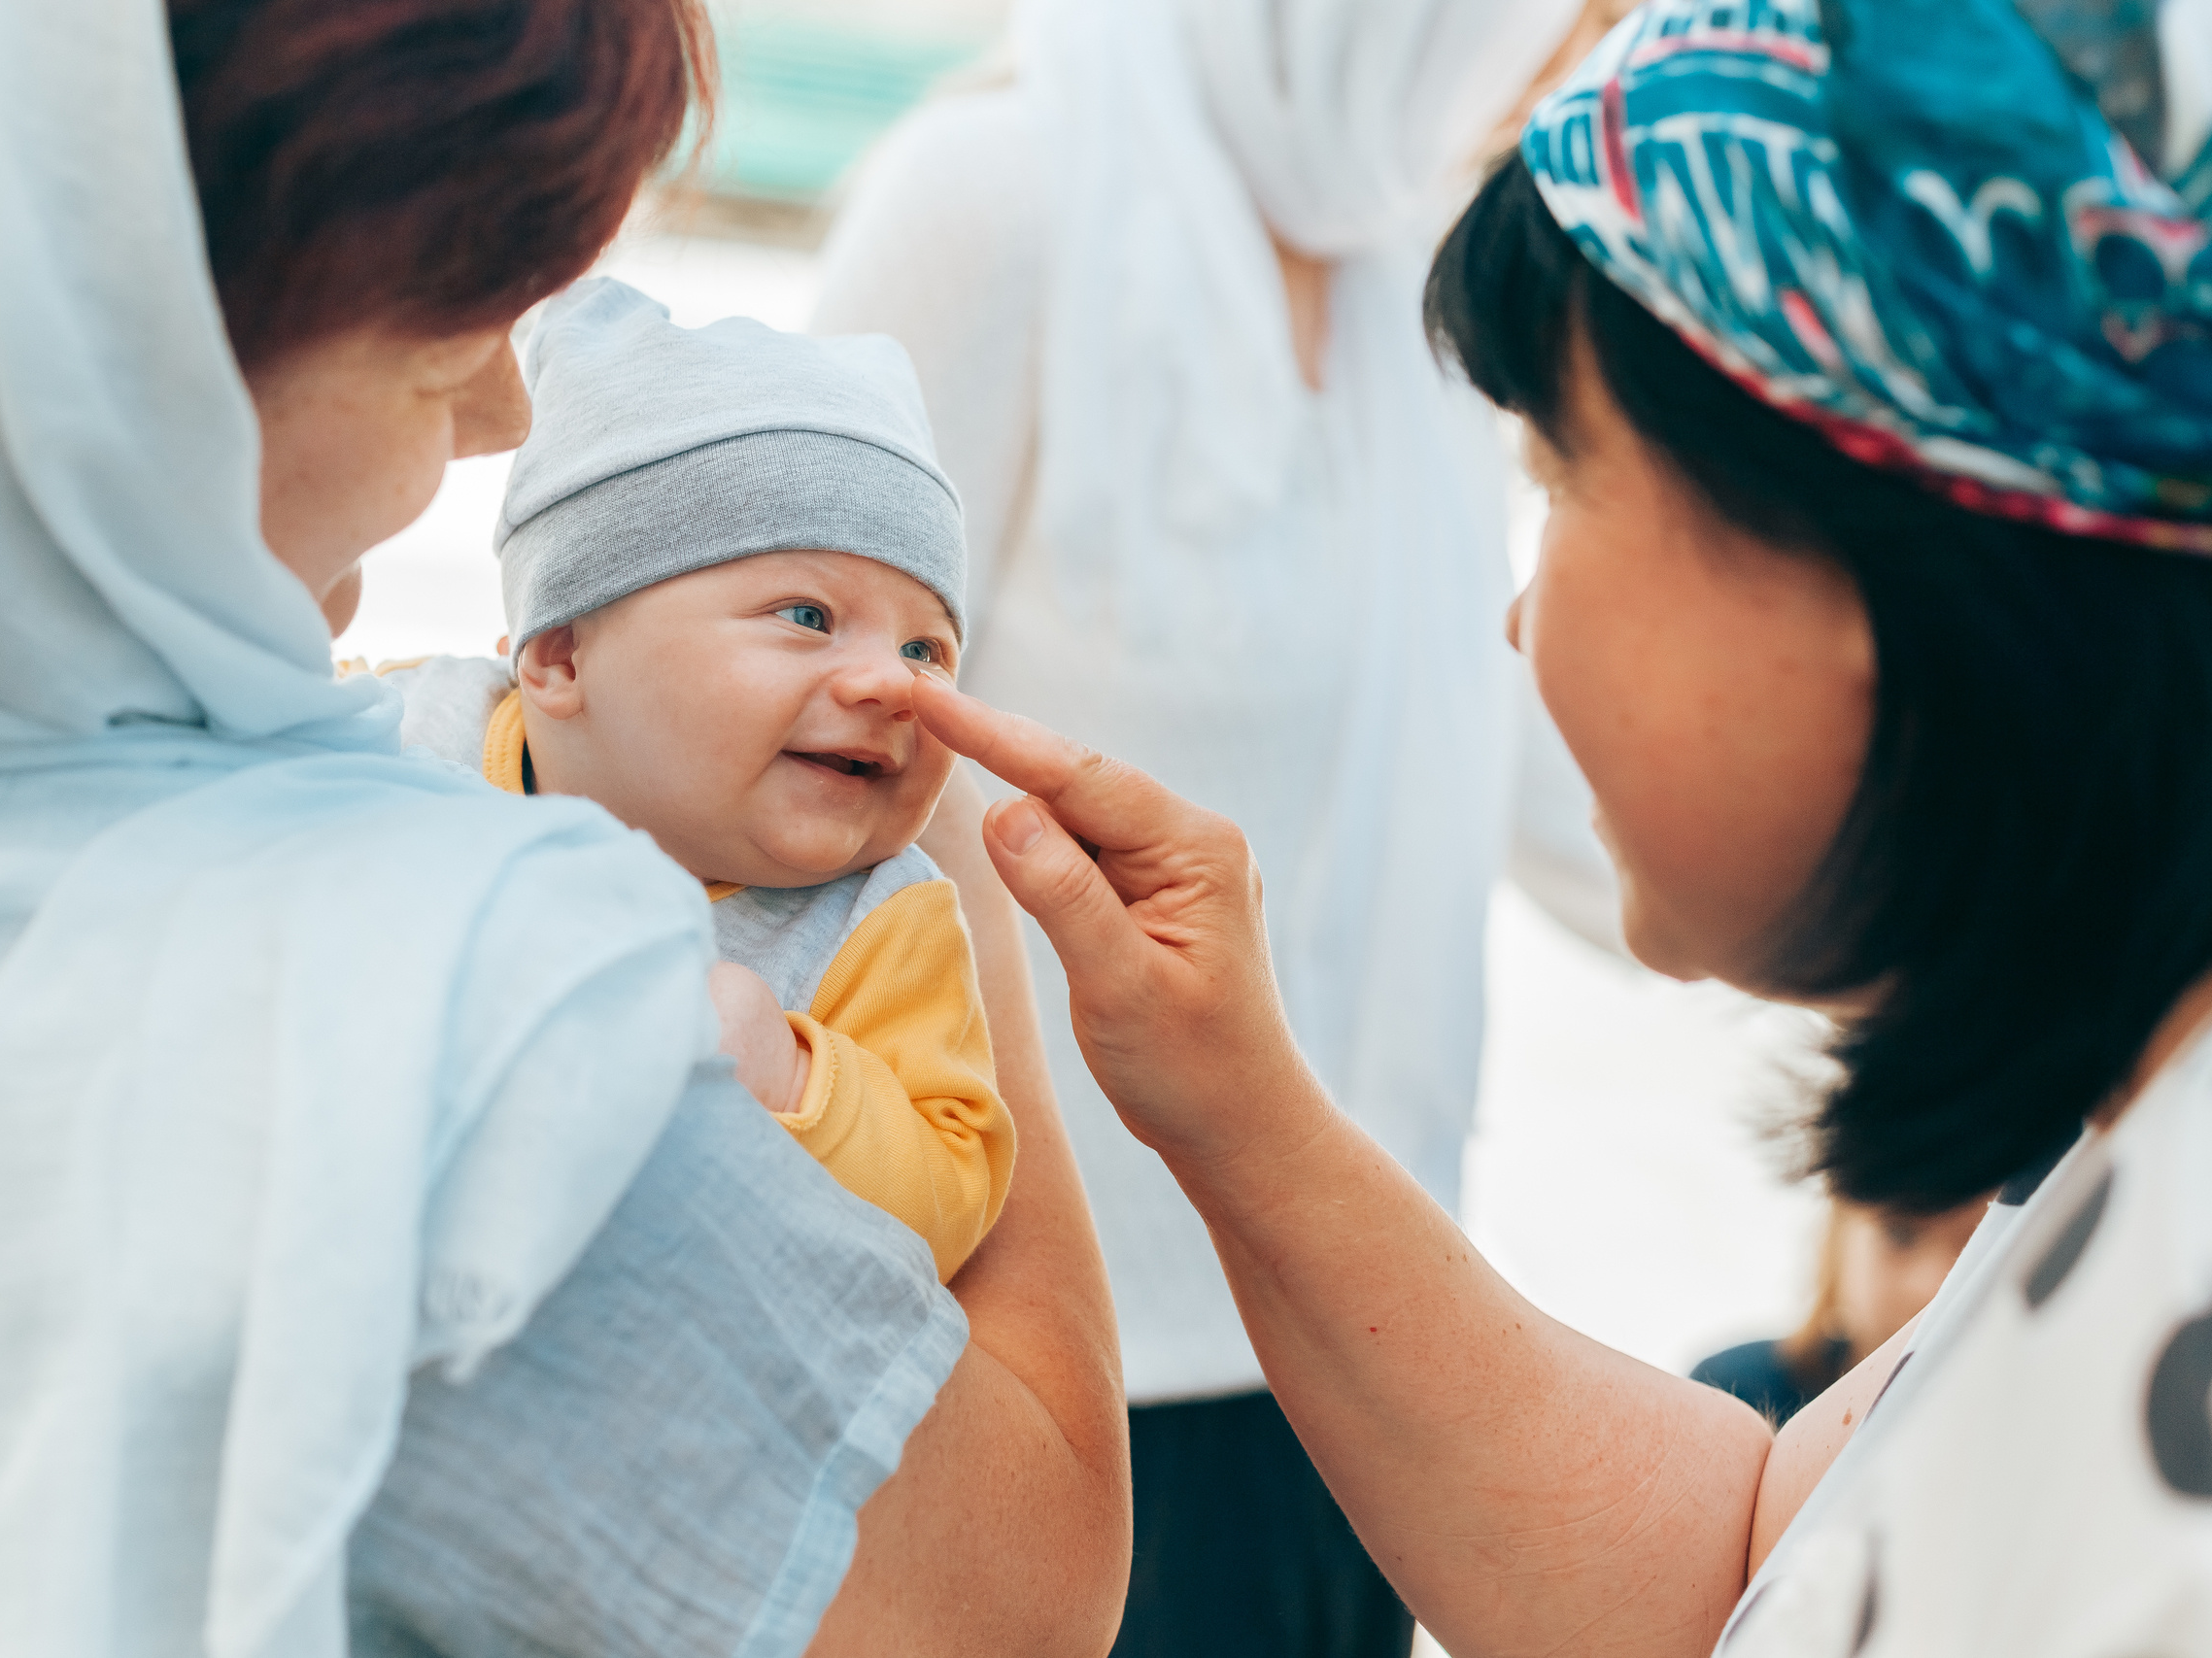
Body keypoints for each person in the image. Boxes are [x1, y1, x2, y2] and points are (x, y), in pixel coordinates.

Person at [0, 3, 1127, 1656]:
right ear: (115, 321)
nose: (498, 419)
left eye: (923, 648)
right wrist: (955, 859)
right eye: (443, 331)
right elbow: (1011, 1593)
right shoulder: (475, 1039)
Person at [903, 0, 2212, 1649]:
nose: (1515, 621)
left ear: (1870, 548)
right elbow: (1752, 1571)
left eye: (1563, 473)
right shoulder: (2132, 1142)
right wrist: (1233, 1095)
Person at [808, 0, 1622, 1647]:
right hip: (1040, 1363)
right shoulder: (990, 203)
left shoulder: (1413, 271)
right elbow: (786, 737)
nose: (1561, 56)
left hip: (1360, 1339)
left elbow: (1555, 776)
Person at [383, 279, 1010, 1281]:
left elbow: (951, 1200)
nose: (893, 684)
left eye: (928, 649)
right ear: (560, 659)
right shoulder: (408, 739)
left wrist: (793, 1077)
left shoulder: (874, 927)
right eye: (805, 615)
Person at [1693, 1197, 1990, 1426]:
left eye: (1979, 1241)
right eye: (1900, 1234)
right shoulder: (1734, 1390)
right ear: (1839, 1235)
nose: (1931, 1285)